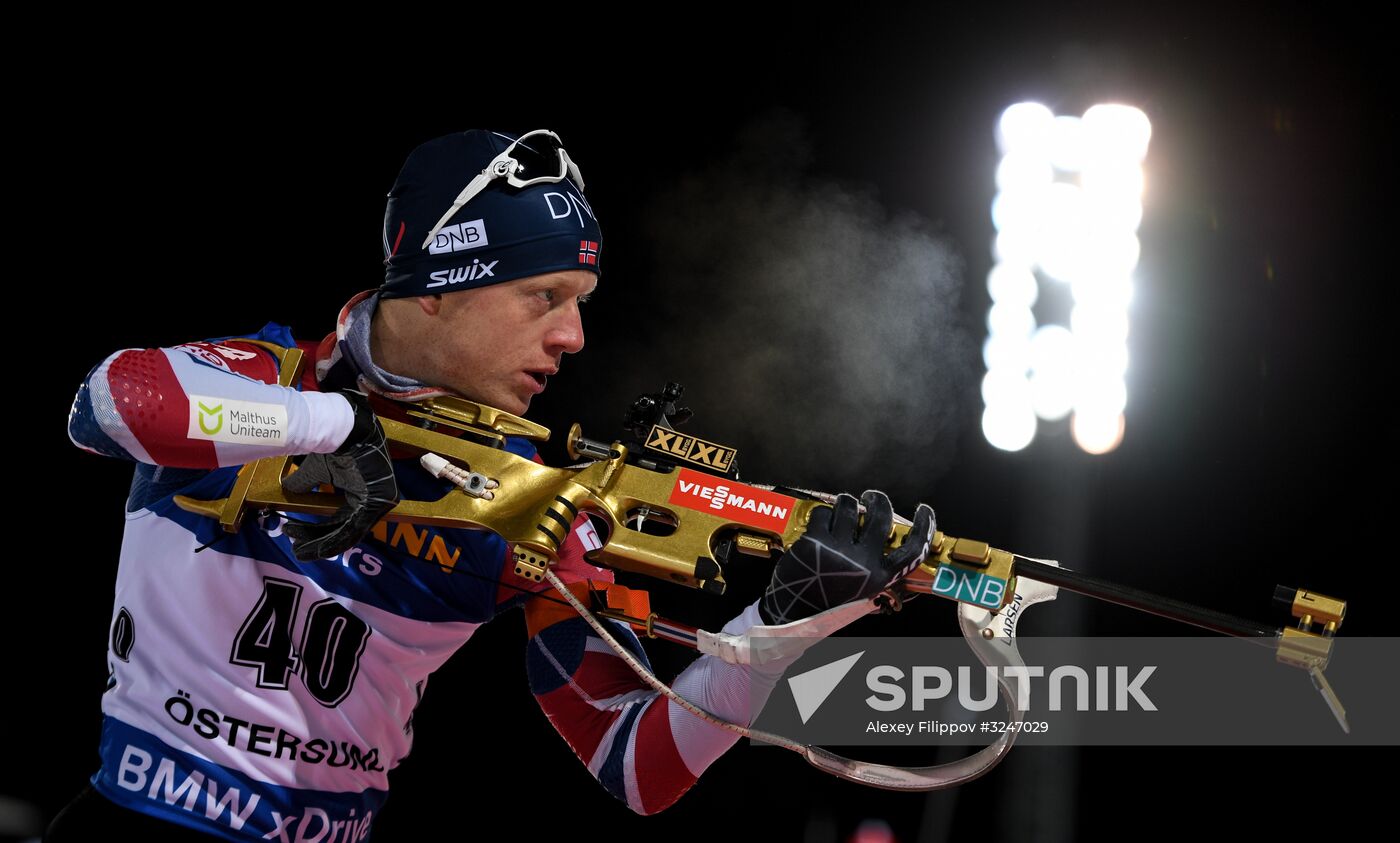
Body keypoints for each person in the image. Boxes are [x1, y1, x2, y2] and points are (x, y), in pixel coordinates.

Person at [54, 129, 935, 841]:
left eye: (580, 298)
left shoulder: (525, 497)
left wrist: (783, 626)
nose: (574, 335)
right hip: (140, 820)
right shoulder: (261, 384)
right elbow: (106, 405)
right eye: (545, 295)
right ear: (440, 286)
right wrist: (337, 426)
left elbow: (635, 763)